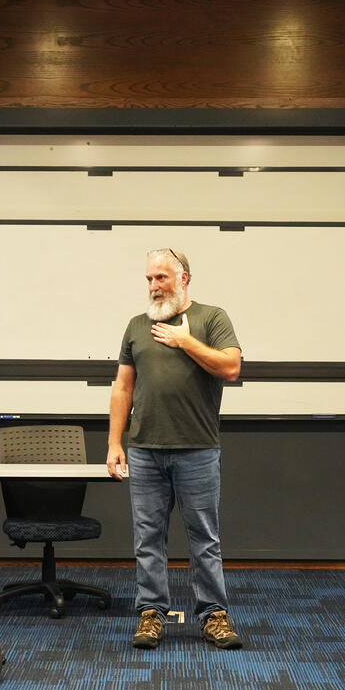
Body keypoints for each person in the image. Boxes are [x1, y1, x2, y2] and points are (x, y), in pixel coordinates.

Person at [107, 247, 244, 651]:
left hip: (197, 449)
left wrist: (185, 341)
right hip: (145, 451)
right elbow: (123, 387)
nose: (153, 286)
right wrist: (115, 442)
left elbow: (231, 367)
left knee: (205, 537)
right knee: (148, 537)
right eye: (149, 279)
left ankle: (213, 615)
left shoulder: (211, 318)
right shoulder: (136, 326)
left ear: (182, 278)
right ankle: (151, 614)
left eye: (161, 278)